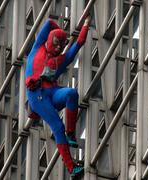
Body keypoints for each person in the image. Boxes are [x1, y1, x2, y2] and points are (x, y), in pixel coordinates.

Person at [25, 16, 90, 176]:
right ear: (49, 40)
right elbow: (48, 23)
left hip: (52, 93)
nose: (58, 47)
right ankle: (71, 167)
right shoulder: (37, 47)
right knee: (57, 127)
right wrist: (61, 30)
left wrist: (86, 25)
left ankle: (70, 133)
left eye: (61, 45)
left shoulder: (59, 61)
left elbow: (78, 45)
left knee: (71, 94)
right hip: (37, 95)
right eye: (56, 43)